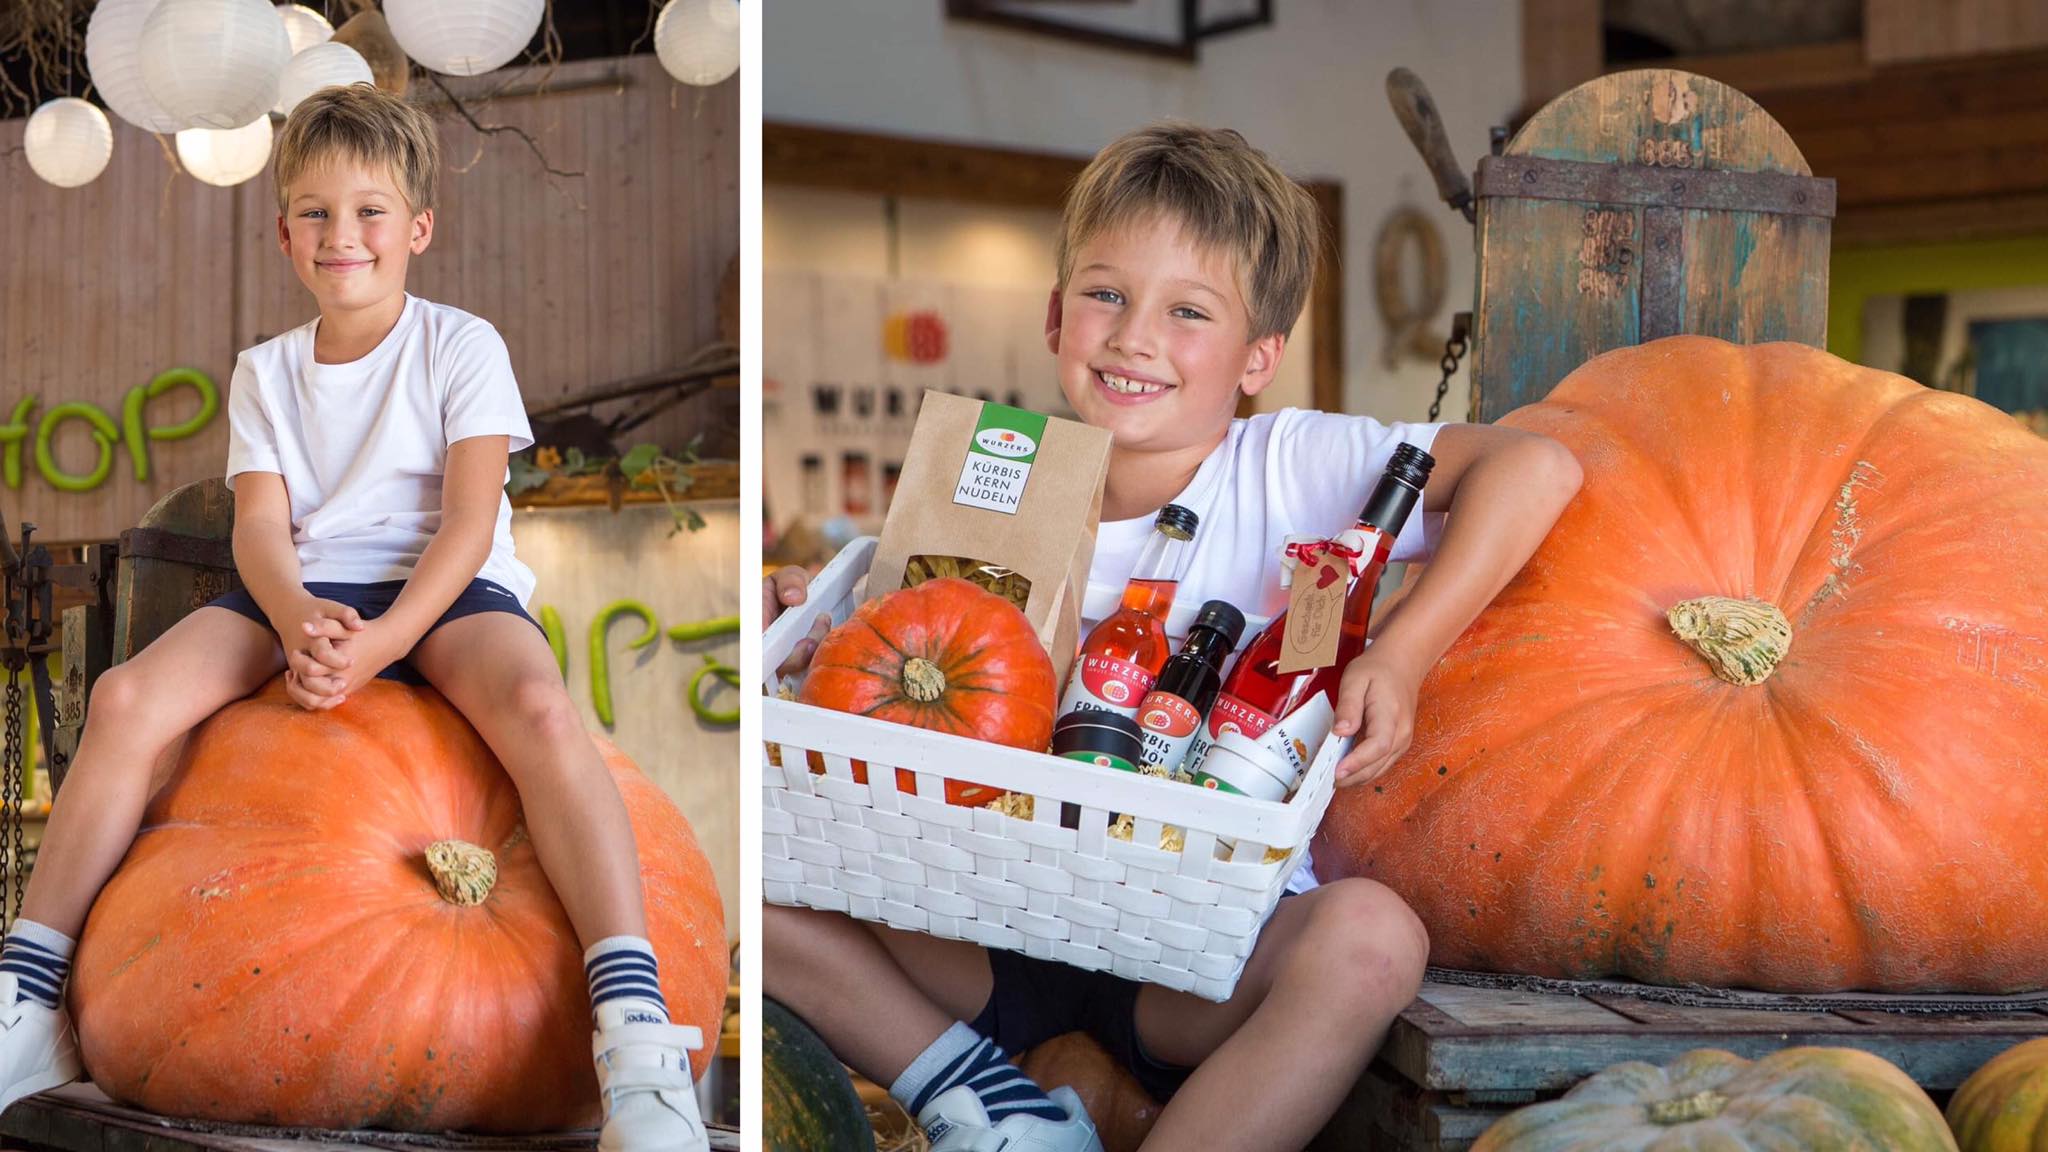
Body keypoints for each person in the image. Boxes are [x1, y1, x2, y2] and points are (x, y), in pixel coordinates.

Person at [763, 121, 1584, 1152]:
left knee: (1372, 939)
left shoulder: (1289, 465)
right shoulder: (996, 482)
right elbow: (888, 670)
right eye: (1105, 295)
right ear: (1056, 315)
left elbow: (1535, 469)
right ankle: (972, 1089)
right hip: (976, 926)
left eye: (1187, 312)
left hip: (1194, 952)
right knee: (748, 850)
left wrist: (1401, 651)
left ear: (1256, 357)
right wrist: (811, 629)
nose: (1133, 337)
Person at [0, 85, 705, 1151]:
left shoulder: (459, 347)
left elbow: (468, 524)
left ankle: (634, 1026)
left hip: (444, 590)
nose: (344, 237)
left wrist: (384, 642)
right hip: (303, 588)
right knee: (127, 695)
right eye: (317, 213)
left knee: (539, 710)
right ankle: (29, 995)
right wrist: (292, 620)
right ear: (284, 231)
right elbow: (258, 530)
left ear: (417, 227)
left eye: (370, 211)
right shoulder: (265, 372)